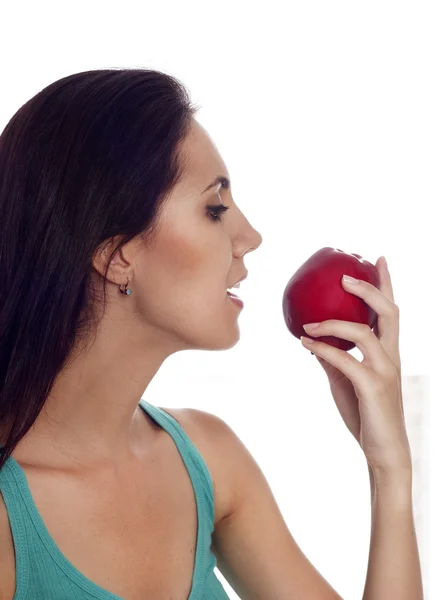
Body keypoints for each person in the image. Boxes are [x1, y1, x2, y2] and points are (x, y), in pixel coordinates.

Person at [0, 68, 423, 600]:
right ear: (117, 255)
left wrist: (391, 471)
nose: (251, 237)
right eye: (214, 209)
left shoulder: (209, 459)